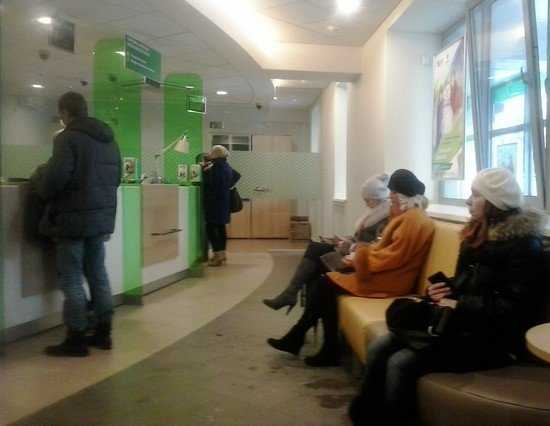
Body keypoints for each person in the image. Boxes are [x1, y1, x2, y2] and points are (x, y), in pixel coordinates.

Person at [348, 168, 545, 426]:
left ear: (495, 202)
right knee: (380, 346)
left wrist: (456, 303)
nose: (467, 201)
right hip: (460, 324)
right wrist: (441, 290)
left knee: (400, 362)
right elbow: (464, 283)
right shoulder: (475, 234)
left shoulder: (525, 246)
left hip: (493, 340)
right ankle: (369, 415)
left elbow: (513, 309)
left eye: (475, 195)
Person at [267, 169, 435, 367]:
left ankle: (312, 341)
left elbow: (393, 258)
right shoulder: (409, 218)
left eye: (393, 192)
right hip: (386, 275)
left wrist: (360, 256)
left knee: (324, 283)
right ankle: (310, 341)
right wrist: (360, 254)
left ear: (403, 195)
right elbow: (386, 252)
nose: (390, 196)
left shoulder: (413, 221)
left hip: (390, 281)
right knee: (324, 283)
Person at [33, 91, 121, 357]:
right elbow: (116, 178)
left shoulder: (67, 138)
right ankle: (103, 333)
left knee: (71, 277)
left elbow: (55, 179)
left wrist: (40, 182)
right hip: (100, 219)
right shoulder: (109, 140)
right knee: (98, 273)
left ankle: (76, 338)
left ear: (64, 112)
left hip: (72, 220)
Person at [263, 173, 392, 313]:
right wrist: (345, 240)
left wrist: (350, 246)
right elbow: (361, 239)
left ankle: (291, 296)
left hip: (358, 260)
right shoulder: (375, 212)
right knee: (315, 256)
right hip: (353, 252)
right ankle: (293, 299)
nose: (365, 203)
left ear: (377, 198)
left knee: (315, 255)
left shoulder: (385, 218)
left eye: (367, 200)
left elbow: (374, 247)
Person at [203, 145, 241, 266]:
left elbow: (210, 185)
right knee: (220, 228)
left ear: (216, 154)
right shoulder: (226, 165)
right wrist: (227, 186)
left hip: (214, 203)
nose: (209, 154)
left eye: (211, 152)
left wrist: (205, 172)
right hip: (224, 202)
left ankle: (217, 257)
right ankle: (223, 254)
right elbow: (237, 175)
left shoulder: (216, 167)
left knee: (210, 228)